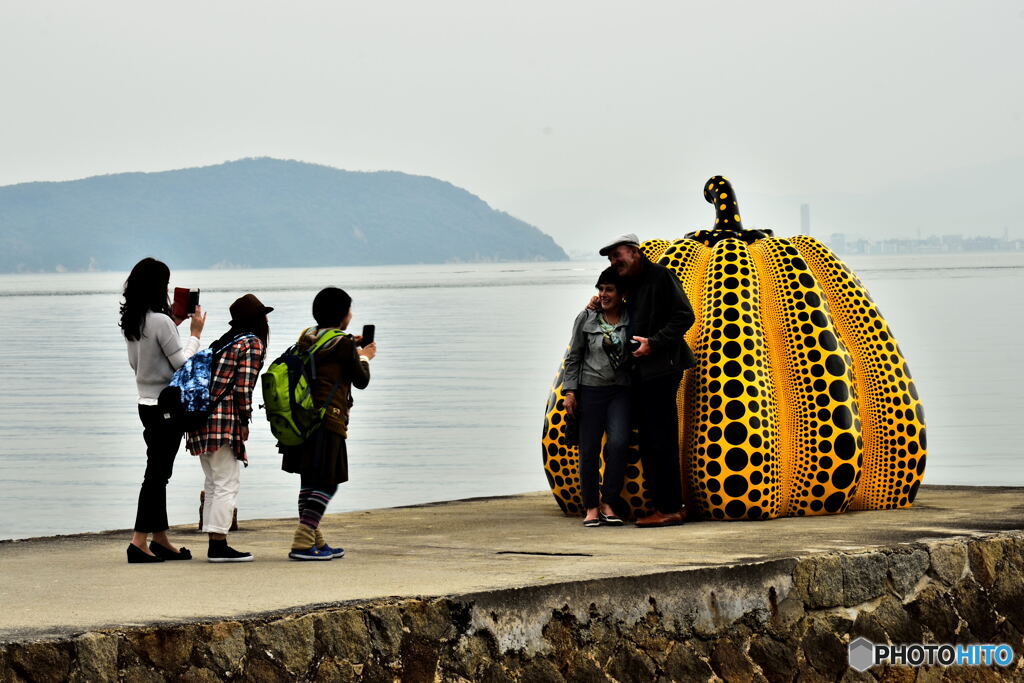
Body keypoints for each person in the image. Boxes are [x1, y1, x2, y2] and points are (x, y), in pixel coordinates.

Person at [599, 233, 696, 527]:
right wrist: (597, 300)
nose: (614, 262)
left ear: (634, 252)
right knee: (650, 441)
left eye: (618, 256)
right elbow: (609, 289)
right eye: (611, 258)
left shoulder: (661, 276)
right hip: (642, 372)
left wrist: (655, 343)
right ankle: (664, 505)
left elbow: (685, 316)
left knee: (661, 439)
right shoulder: (630, 282)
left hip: (662, 368)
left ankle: (670, 508)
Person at [280, 287, 376, 561]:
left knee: (309, 481)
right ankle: (302, 539)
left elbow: (326, 361)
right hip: (328, 419)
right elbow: (361, 380)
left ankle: (315, 540)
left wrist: (352, 346)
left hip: (304, 419)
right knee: (328, 481)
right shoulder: (343, 344)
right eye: (349, 309)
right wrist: (365, 355)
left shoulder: (308, 337)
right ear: (344, 314)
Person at [121, 257, 206, 563]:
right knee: (156, 476)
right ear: (160, 287)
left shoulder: (136, 320)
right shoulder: (161, 322)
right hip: (165, 407)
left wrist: (177, 327)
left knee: (159, 473)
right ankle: (138, 542)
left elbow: (138, 363)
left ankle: (159, 538)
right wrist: (195, 334)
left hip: (145, 404)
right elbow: (183, 365)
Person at [186, 294, 271, 562]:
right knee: (226, 483)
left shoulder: (223, 342)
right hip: (224, 422)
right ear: (258, 320)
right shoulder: (251, 344)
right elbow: (243, 389)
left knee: (213, 483)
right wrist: (245, 421)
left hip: (200, 421)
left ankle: (215, 541)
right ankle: (219, 544)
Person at [562, 268, 631, 527]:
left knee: (619, 443)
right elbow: (574, 356)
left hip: (620, 391)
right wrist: (570, 392)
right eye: (600, 289)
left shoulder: (631, 317)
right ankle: (591, 506)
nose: (603, 294)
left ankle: (608, 503)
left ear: (622, 294)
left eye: (609, 289)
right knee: (588, 450)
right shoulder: (586, 318)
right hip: (590, 390)